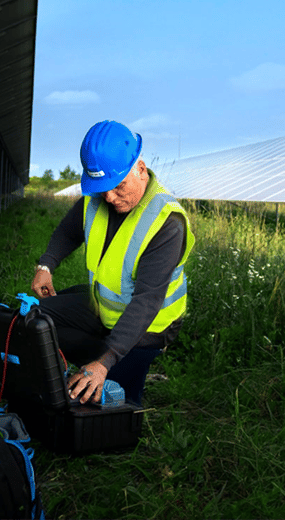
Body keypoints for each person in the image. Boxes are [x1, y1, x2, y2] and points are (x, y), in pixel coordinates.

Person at [31, 120, 195, 405]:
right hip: (103, 308)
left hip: (147, 329)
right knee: (36, 319)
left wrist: (104, 363)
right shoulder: (98, 198)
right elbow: (68, 232)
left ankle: (108, 362)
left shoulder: (167, 223)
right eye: (101, 187)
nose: (109, 196)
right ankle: (88, 362)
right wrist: (46, 265)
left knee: (114, 404)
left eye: (118, 186)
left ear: (140, 169)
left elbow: (146, 302)